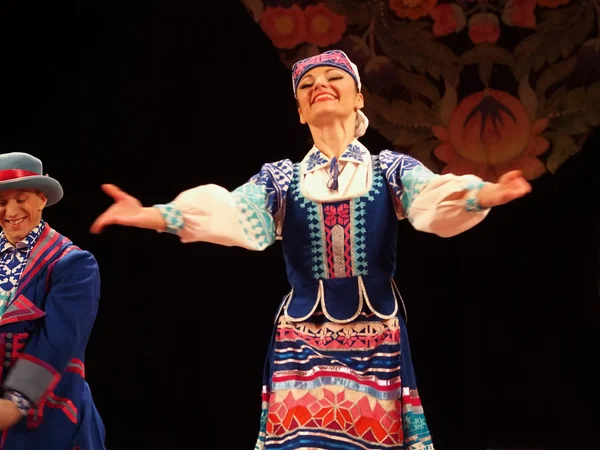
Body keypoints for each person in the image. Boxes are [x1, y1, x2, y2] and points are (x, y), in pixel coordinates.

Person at [90, 50, 531, 449]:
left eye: (332, 77)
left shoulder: (389, 169)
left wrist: (482, 195)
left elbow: (431, 198)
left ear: (359, 98)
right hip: (303, 339)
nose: (318, 84)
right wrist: (155, 214)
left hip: (375, 338)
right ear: (300, 112)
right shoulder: (281, 179)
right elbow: (232, 213)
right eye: (306, 84)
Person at [0, 152, 106, 449]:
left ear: (41, 199)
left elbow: (59, 339)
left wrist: (16, 401)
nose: (11, 211)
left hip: (45, 411)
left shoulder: (72, 264)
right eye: (1, 202)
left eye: (21, 199)